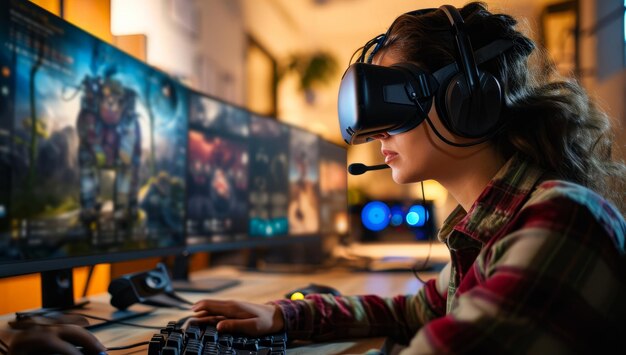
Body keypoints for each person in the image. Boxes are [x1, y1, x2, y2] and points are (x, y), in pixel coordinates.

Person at [192, 2, 626, 354]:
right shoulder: (489, 227)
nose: (377, 132)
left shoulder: (560, 220)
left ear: (467, 98)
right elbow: (414, 311)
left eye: (394, 101)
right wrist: (288, 315)